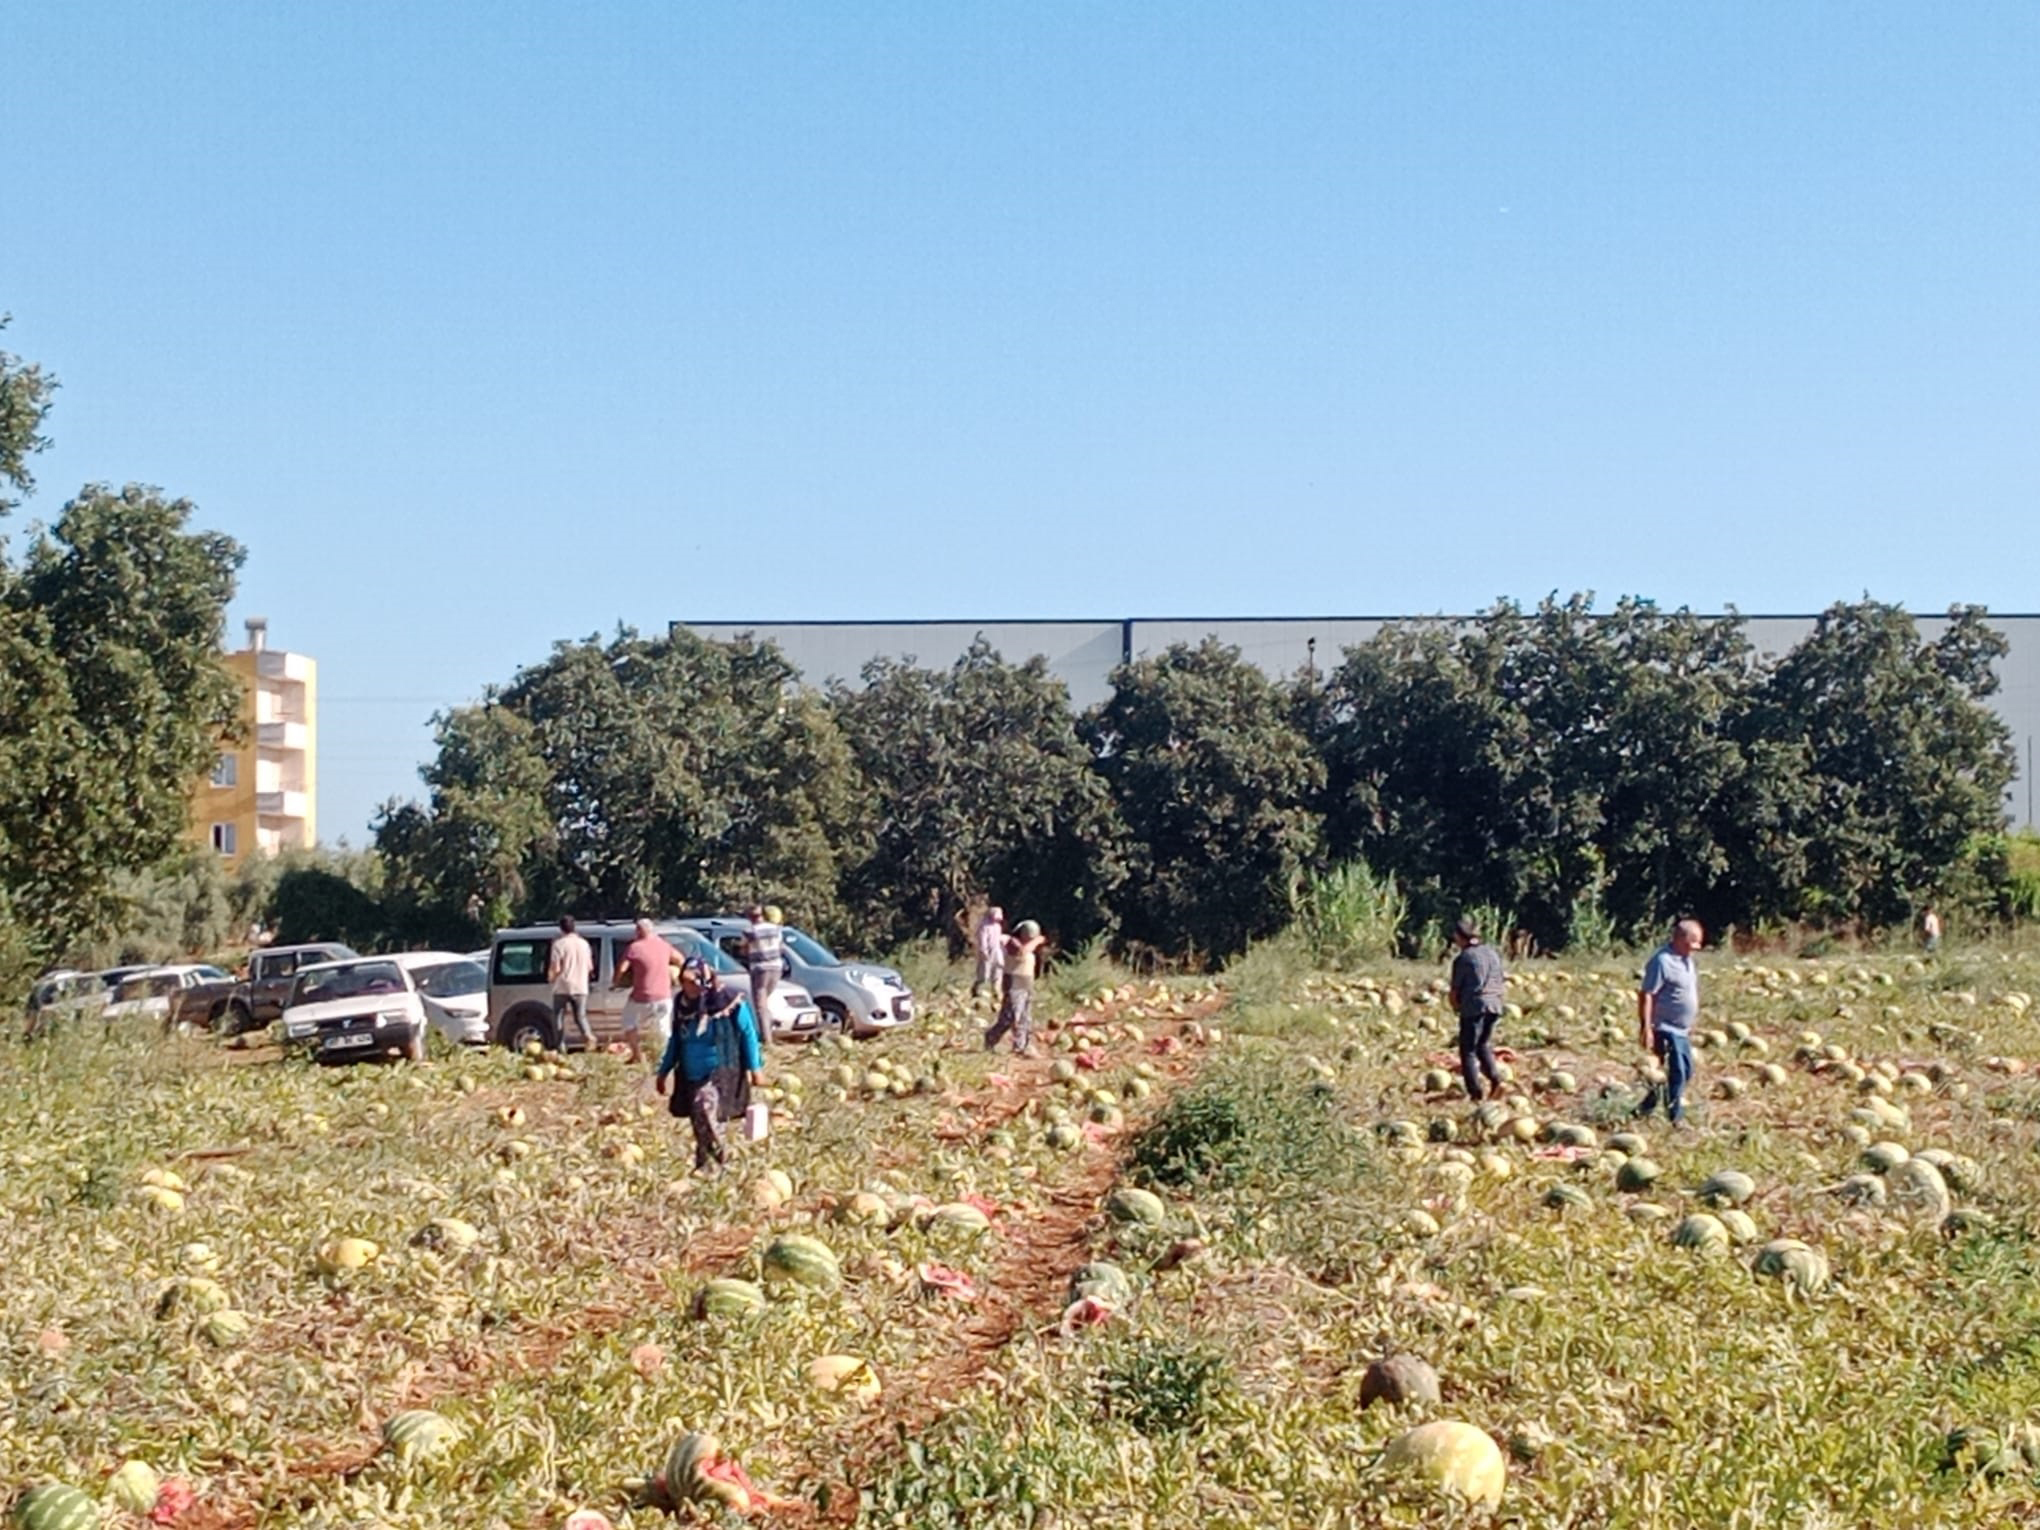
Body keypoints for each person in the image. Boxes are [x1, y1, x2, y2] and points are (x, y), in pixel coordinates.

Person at [655, 956, 764, 1175]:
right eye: (684, 983)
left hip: (721, 1070)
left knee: (705, 1110)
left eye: (693, 983)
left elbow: (748, 1033)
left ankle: (722, 1159)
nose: (688, 988)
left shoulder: (728, 1001)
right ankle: (707, 1167)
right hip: (691, 1072)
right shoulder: (682, 1004)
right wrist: (664, 1070)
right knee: (701, 1122)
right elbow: (676, 1038)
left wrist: (755, 1068)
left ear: (704, 981)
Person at [1635, 918, 1704, 1125]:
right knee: (1677, 1072)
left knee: (1686, 1071)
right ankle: (1675, 1119)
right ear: (1681, 939)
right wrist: (1646, 1028)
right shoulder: (1662, 961)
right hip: (1665, 1027)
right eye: (1693, 943)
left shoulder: (1687, 961)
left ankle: (1645, 1108)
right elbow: (1647, 995)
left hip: (1681, 1029)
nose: (1695, 949)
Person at [1447, 915, 1506, 1101]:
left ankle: (1475, 1093)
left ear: (1458, 936)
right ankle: (1496, 1080)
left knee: (1468, 1050)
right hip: (1495, 1004)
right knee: (1483, 1044)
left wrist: (1457, 1008)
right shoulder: (1492, 953)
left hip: (1474, 1005)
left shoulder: (1464, 958)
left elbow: (1455, 991)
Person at [612, 917, 682, 1066]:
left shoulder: (634, 947)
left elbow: (622, 968)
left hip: (642, 997)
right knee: (663, 1030)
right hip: (664, 996)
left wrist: (616, 983)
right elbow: (680, 959)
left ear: (638, 930)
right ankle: (664, 1059)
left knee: (628, 1022)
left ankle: (637, 1055)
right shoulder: (664, 945)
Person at [984, 919, 1046, 1056]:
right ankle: (991, 1037)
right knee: (1010, 1016)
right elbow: (1022, 952)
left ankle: (1021, 1046)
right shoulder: (1012, 942)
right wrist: (1036, 941)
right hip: (1014, 983)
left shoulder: (1030, 946)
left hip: (1026, 983)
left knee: (1025, 1017)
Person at [546, 915, 596, 1050]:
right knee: (580, 1016)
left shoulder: (559, 944)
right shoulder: (584, 944)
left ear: (561, 928)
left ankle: (560, 1046)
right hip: (581, 986)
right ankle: (588, 1035)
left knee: (558, 1017)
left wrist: (550, 977)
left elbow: (556, 968)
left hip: (562, 986)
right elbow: (590, 967)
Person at [744, 904, 785, 1039]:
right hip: (777, 967)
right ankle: (771, 1023)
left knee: (760, 1005)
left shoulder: (749, 931)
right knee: (765, 1001)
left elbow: (743, 949)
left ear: (750, 917)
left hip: (760, 969)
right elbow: (781, 947)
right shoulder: (776, 929)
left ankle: (767, 1039)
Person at [972, 906, 1006, 1001]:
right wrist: (984, 951)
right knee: (984, 971)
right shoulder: (984, 926)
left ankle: (996, 991)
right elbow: (982, 940)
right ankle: (977, 989)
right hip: (987, 951)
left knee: (998, 969)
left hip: (997, 950)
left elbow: (998, 939)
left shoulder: (998, 926)